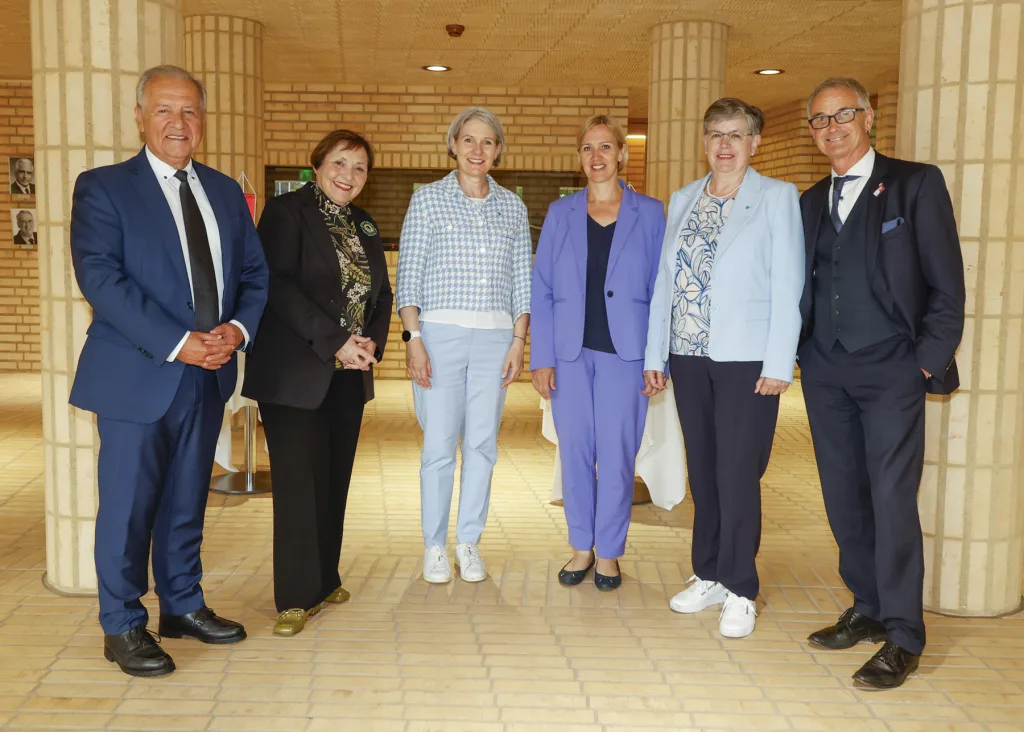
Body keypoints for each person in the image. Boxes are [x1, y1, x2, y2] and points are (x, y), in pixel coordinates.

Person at [68, 65, 268, 677]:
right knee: (128, 505)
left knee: (186, 499)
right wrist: (180, 342)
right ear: (140, 117)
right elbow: (101, 279)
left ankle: (181, 603)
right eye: (164, 111)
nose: (178, 123)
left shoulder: (226, 193)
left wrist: (235, 331)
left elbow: (254, 276)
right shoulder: (103, 188)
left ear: (202, 121)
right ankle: (123, 623)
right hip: (138, 375)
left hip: (207, 377)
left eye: (189, 112)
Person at [798, 78, 965, 690]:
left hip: (892, 365)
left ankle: (903, 634)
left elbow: (947, 286)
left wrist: (924, 362)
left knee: (893, 500)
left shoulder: (916, 183)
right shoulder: (810, 200)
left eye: (843, 115)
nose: (832, 127)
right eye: (819, 120)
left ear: (869, 116)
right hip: (825, 368)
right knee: (844, 496)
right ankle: (866, 606)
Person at [644, 98, 804, 638]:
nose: (725, 144)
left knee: (739, 472)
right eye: (716, 134)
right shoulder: (684, 197)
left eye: (737, 134)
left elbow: (789, 285)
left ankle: (740, 587)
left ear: (755, 142)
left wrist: (781, 360)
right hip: (689, 357)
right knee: (706, 470)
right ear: (704, 141)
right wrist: (655, 355)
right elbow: (665, 284)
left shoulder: (778, 197)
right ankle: (709, 572)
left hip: (748, 360)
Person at [242, 129, 393, 636]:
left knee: (333, 480)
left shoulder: (364, 224)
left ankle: (326, 579)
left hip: (348, 374)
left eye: (360, 168)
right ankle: (294, 597)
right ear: (318, 164)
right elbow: (278, 288)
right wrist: (335, 342)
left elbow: (381, 294)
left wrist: (370, 344)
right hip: (294, 373)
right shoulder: (288, 214)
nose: (349, 175)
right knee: (297, 484)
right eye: (340, 163)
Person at [396, 106, 532, 585]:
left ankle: (468, 542)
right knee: (438, 446)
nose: (478, 150)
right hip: (439, 334)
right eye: (468, 140)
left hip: (496, 338)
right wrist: (414, 341)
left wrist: (518, 341)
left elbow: (522, 280)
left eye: (488, 142)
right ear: (452, 145)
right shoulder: (428, 200)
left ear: (498, 151)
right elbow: (407, 277)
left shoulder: (512, 206)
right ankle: (435, 546)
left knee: (482, 445)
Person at [531, 115, 665, 590]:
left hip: (625, 356)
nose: (596, 157)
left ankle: (609, 552)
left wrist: (657, 359)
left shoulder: (650, 214)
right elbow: (542, 288)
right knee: (576, 454)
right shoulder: (560, 213)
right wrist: (541, 357)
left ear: (621, 154)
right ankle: (580, 547)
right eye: (588, 148)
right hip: (569, 354)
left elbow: (660, 291)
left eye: (605, 147)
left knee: (617, 454)